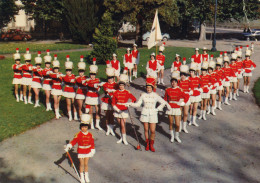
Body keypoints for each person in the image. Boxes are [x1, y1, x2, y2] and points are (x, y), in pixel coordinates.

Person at [131, 77, 170, 152]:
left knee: (152, 130)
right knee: (146, 129)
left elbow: (163, 102)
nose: (148, 89)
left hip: (153, 113)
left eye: (150, 87)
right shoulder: (143, 95)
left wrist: (157, 109)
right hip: (145, 113)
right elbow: (138, 104)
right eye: (147, 87)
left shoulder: (155, 95)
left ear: (152, 88)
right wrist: (129, 104)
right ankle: (147, 143)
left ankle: (151, 144)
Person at [64, 113, 95, 183]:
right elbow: (73, 142)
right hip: (81, 151)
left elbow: (92, 143)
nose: (84, 128)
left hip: (88, 151)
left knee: (86, 164)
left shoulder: (90, 135)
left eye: (86, 127)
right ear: (80, 127)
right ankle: (82, 176)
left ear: (88, 127)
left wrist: (92, 150)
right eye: (83, 127)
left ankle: (86, 175)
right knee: (81, 164)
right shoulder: (78, 135)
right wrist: (68, 146)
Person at [164, 71, 189, 143]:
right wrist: (166, 104)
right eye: (172, 82)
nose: (173, 83)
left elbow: (186, 96)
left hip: (177, 107)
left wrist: (183, 102)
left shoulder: (179, 90)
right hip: (170, 107)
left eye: (175, 82)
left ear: (177, 83)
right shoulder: (168, 90)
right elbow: (165, 99)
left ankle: (177, 136)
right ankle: (172, 136)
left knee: (177, 124)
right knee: (171, 123)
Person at [112, 74, 136, 145]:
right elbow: (113, 103)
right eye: (120, 85)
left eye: (122, 85)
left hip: (124, 109)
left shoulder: (127, 92)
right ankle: (121, 138)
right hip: (117, 109)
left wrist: (129, 103)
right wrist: (116, 109)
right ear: (119, 86)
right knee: (120, 125)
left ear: (124, 86)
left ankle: (124, 139)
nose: (121, 86)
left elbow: (134, 99)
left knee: (123, 125)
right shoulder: (115, 92)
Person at [84, 64, 102, 130]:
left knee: (98, 110)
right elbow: (88, 84)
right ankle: (91, 124)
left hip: (96, 96)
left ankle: (97, 124)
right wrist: (94, 85)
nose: (92, 76)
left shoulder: (97, 79)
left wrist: (99, 86)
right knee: (90, 111)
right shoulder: (88, 80)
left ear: (95, 74)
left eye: (93, 74)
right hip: (90, 96)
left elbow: (99, 86)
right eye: (91, 74)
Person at [101, 68, 118, 136]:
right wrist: (112, 91)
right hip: (106, 101)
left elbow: (117, 92)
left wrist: (113, 91)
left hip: (113, 102)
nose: (109, 79)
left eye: (111, 78)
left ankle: (112, 130)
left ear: (113, 78)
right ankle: (108, 129)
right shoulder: (105, 84)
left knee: (112, 116)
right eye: (108, 78)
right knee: (107, 116)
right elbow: (107, 91)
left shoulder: (116, 85)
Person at [63, 56, 77, 121]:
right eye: (67, 71)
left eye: (69, 71)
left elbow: (75, 80)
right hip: (67, 90)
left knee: (74, 103)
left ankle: (75, 115)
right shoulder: (65, 77)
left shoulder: (74, 76)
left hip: (72, 90)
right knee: (68, 104)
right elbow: (67, 80)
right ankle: (70, 116)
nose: (68, 72)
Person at [178, 65, 191, 133]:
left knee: (185, 113)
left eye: (184, 75)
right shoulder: (178, 81)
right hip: (180, 99)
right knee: (180, 113)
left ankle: (184, 127)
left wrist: (187, 92)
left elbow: (191, 90)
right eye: (181, 75)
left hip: (186, 99)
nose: (182, 76)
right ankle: (179, 127)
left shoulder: (188, 81)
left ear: (186, 75)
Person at [188, 62, 200, 126]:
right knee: (191, 108)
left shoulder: (198, 78)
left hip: (196, 94)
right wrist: (189, 90)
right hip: (191, 95)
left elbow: (201, 85)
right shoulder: (188, 78)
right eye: (190, 72)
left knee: (195, 108)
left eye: (192, 72)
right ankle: (190, 120)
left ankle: (194, 121)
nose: (191, 73)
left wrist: (199, 89)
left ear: (195, 72)